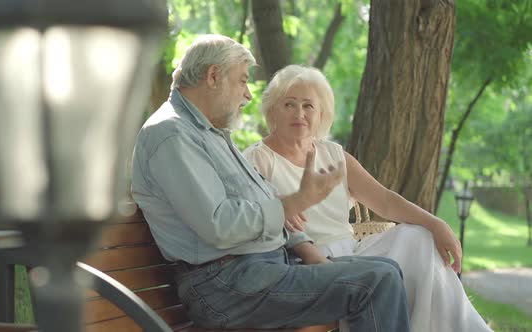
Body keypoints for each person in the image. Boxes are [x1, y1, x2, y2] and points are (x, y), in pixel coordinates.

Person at [131, 34, 411, 331]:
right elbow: (218, 226)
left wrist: (305, 245)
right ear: (213, 76)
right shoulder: (172, 134)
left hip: (257, 272)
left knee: (387, 270)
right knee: (375, 282)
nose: (248, 94)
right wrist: (296, 201)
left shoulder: (209, 135)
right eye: (242, 80)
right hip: (226, 287)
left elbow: (260, 200)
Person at [243, 64, 493, 332]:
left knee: (419, 239)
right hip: (303, 264)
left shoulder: (335, 155)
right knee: (383, 274)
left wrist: (436, 224)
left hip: (352, 251)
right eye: (289, 104)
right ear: (272, 110)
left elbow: (385, 201)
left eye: (308, 106)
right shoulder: (257, 159)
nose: (300, 114)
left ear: (322, 114)